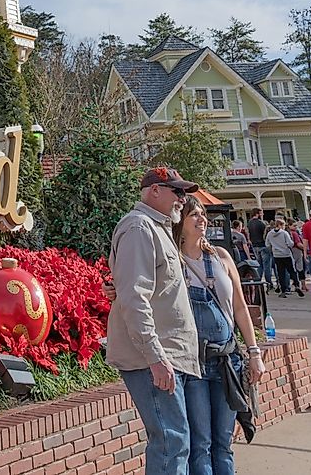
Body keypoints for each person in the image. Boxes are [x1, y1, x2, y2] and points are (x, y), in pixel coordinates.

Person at [109, 166, 201, 475]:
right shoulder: (139, 228)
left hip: (169, 357)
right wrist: (156, 357)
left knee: (176, 441)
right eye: (177, 192)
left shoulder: (157, 228)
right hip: (155, 360)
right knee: (171, 443)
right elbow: (135, 299)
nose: (182, 199)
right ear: (155, 191)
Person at [175, 195, 266, 475]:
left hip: (227, 360)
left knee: (223, 441)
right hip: (194, 363)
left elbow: (239, 307)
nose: (201, 219)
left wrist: (254, 353)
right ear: (180, 222)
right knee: (199, 442)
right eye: (193, 215)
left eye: (203, 214)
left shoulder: (221, 257)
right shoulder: (174, 262)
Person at [265, 219, 299, 296]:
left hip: (277, 255)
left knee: (281, 273)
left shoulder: (270, 234)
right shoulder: (284, 233)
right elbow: (290, 243)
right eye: (283, 225)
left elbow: (267, 244)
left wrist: (273, 248)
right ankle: (296, 284)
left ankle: (283, 290)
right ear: (280, 225)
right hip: (286, 254)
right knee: (291, 270)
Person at [247, 208, 274, 292]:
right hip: (263, 245)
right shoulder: (261, 223)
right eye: (261, 213)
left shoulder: (249, 223)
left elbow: (248, 234)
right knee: (267, 266)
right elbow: (265, 235)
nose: (262, 215)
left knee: (259, 265)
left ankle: (257, 281)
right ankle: (269, 283)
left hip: (255, 245)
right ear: (258, 213)